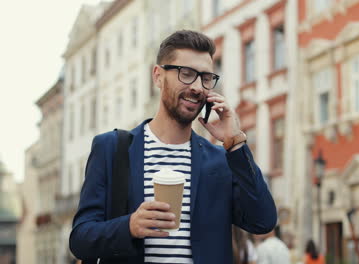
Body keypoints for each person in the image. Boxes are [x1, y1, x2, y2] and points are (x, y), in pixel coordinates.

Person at [69, 30, 277, 264]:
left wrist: (235, 142)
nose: (198, 87)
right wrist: (129, 226)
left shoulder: (220, 160)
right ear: (158, 76)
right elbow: (80, 239)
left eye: (206, 78)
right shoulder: (112, 148)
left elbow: (263, 221)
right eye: (186, 74)